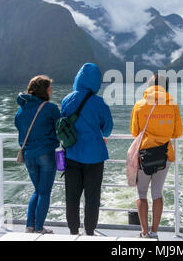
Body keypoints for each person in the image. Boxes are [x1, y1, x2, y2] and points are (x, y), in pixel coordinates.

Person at [61, 63, 113, 236]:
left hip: (72, 155)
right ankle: (90, 231)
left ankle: (73, 231)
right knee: (92, 198)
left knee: (72, 197)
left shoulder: (67, 100)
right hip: (95, 157)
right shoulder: (99, 103)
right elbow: (107, 130)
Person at [130, 74, 183, 239]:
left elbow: (134, 132)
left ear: (149, 87)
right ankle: (154, 231)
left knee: (141, 193)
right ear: (165, 87)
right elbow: (177, 132)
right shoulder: (172, 105)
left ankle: (144, 233)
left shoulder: (139, 105)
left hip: (144, 156)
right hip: (164, 155)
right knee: (157, 193)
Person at [14, 75, 61, 234]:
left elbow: (19, 129)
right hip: (46, 154)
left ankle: (29, 226)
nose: (51, 91)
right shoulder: (49, 108)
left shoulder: (21, 110)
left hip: (28, 155)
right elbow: (61, 126)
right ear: (44, 90)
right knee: (44, 192)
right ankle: (39, 228)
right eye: (49, 88)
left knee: (38, 190)